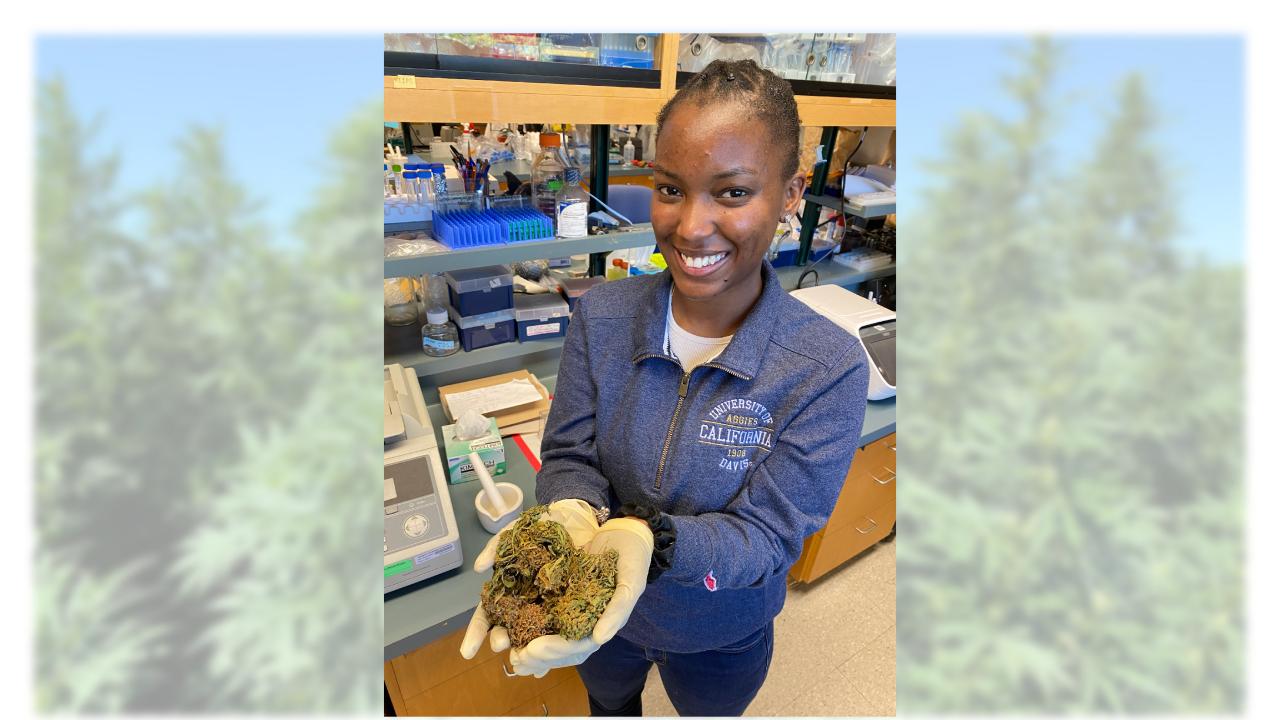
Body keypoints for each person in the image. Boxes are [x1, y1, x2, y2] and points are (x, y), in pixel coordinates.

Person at [461, 59, 869, 716]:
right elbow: (570, 457)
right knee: (610, 704)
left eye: (732, 192)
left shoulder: (828, 370)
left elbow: (767, 536)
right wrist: (572, 511)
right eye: (671, 189)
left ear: (792, 192)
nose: (690, 227)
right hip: (595, 612)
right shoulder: (603, 315)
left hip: (720, 632)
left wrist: (653, 539)